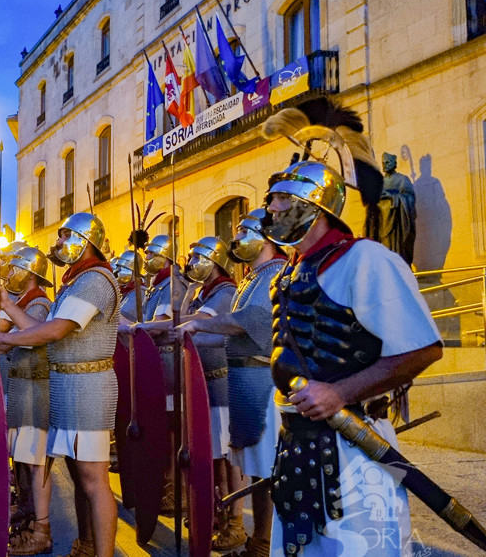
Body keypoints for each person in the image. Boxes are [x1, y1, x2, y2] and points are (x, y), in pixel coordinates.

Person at [261, 147, 442, 556]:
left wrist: (341, 393)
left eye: (282, 197)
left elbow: (424, 349)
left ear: (315, 204)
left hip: (355, 446)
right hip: (295, 448)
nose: (271, 206)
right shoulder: (292, 268)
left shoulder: (367, 259)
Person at [0, 212, 121, 557]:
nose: (58, 244)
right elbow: (37, 324)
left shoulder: (96, 279)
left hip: (89, 388)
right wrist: (6, 309)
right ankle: (87, 545)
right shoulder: (75, 282)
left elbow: (56, 330)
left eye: (64, 237)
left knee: (95, 481)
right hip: (70, 387)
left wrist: (8, 339)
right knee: (80, 478)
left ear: (84, 240)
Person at [176, 210, 285, 555]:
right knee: (256, 470)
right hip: (243, 377)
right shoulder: (252, 277)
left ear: (262, 235)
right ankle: (260, 540)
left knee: (268, 469)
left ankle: (265, 541)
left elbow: (253, 319)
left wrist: (202, 325)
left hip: (261, 378)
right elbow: (231, 329)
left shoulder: (277, 272)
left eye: (242, 230)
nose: (236, 238)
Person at [0, 246, 55, 555]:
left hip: (35, 387)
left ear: (30, 272)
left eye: (15, 268)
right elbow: (3, 345)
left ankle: (40, 527)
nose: (10, 273)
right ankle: (28, 512)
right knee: (23, 460)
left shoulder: (40, 303)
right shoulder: (23, 303)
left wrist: (5, 307)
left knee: (35, 460)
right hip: (20, 387)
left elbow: (35, 332)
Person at [110, 250, 144, 323]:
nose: (117, 271)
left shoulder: (139, 292)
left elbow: (121, 319)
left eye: (121, 267)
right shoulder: (126, 291)